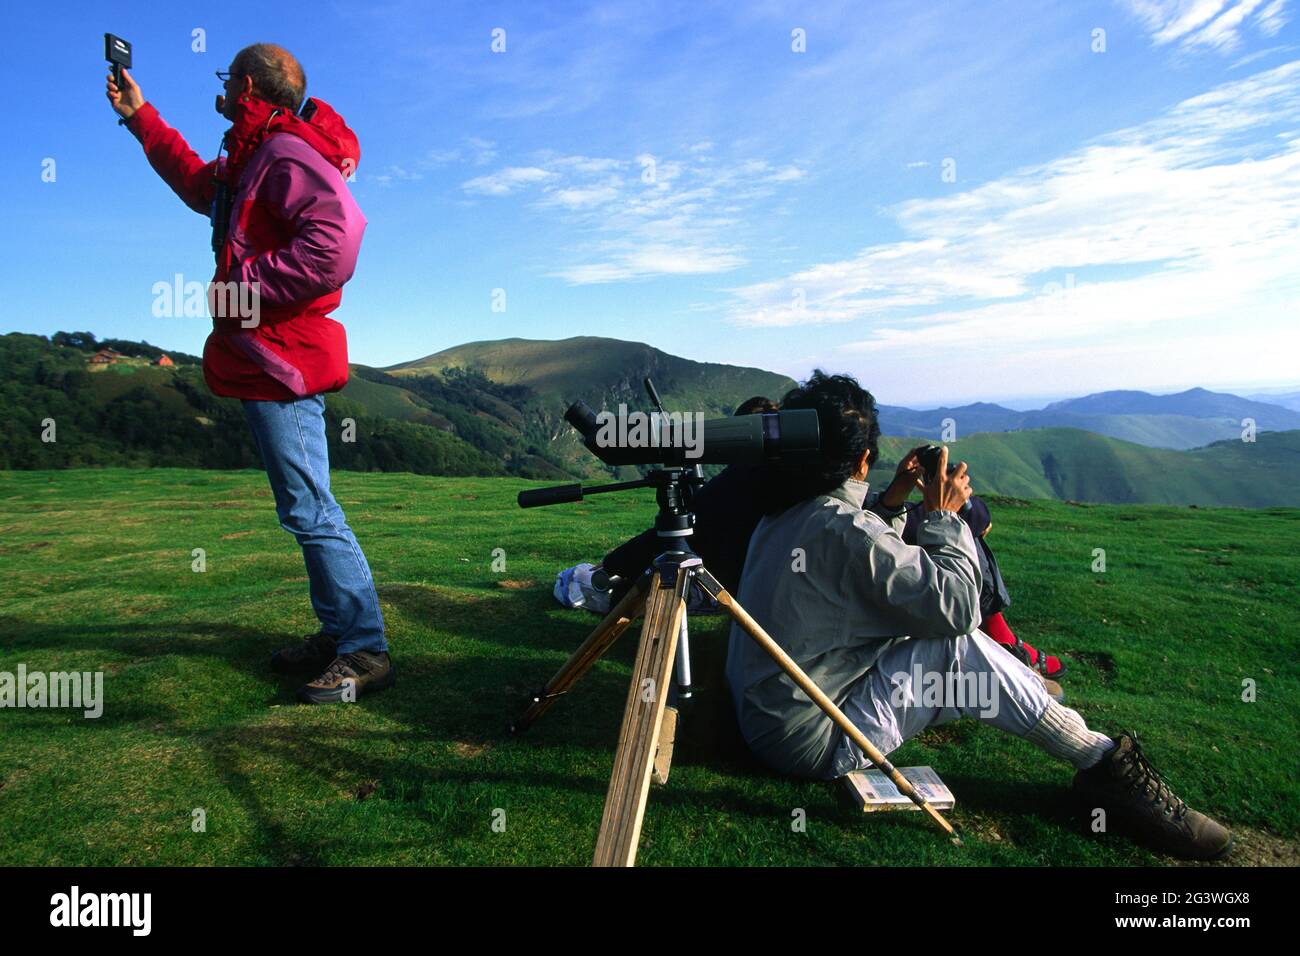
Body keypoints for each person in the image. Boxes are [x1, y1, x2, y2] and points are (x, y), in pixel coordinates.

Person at [724, 370, 1231, 860]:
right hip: (813, 739)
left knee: (947, 653)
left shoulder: (790, 511)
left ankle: (1029, 697)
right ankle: (1103, 765)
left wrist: (896, 500)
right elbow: (958, 608)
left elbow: (862, 555)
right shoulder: (844, 530)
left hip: (775, 718)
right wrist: (943, 516)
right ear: (862, 461)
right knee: (954, 648)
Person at [106, 44, 393, 704]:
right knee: (302, 507)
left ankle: (365, 647)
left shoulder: (284, 153)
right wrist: (139, 114)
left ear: (246, 85)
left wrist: (244, 287)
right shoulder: (253, 157)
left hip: (280, 355)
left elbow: (338, 240)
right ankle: (338, 632)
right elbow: (197, 184)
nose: (222, 86)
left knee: (310, 508)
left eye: (226, 77)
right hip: (271, 352)